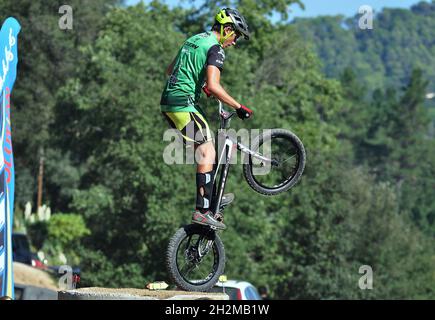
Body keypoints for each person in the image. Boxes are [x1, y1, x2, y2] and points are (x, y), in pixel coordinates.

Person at [160, 8, 253, 230]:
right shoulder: (216, 49)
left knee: (205, 151)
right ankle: (202, 211)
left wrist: (197, 83)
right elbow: (214, 85)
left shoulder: (194, 39)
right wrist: (239, 107)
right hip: (183, 104)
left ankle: (210, 201)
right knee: (207, 150)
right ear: (227, 29)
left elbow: (170, 69)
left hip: (169, 102)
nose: (235, 41)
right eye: (236, 35)